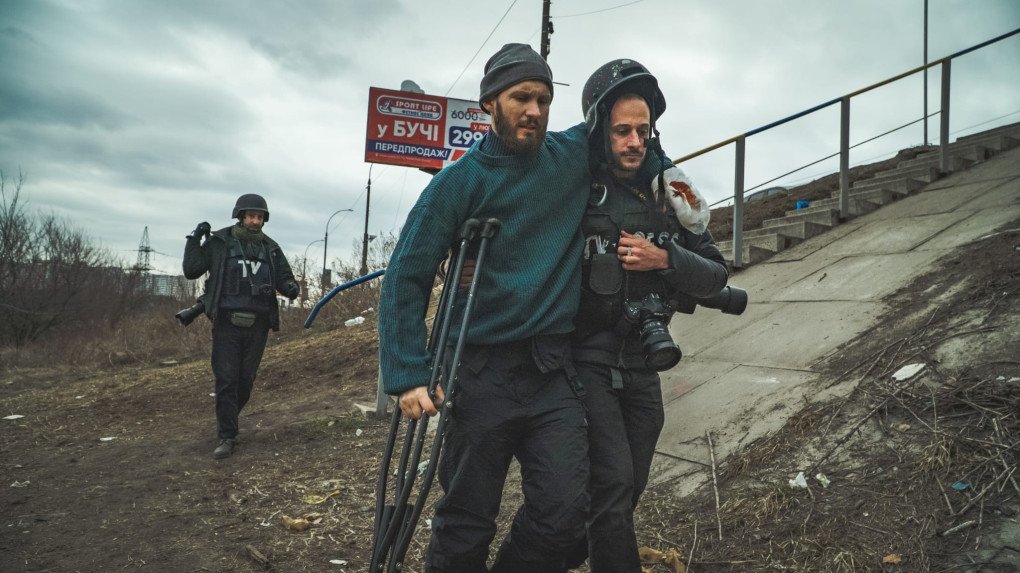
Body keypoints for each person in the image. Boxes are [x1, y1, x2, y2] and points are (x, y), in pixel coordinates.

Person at [378, 43, 599, 573]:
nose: (535, 110)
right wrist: (409, 374)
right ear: (488, 104)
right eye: (521, 97)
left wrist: (675, 184)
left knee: (568, 514)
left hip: (550, 371)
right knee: (467, 520)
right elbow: (406, 276)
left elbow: (626, 137)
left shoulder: (570, 157)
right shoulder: (459, 183)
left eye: (544, 99)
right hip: (477, 373)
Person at [561, 60, 729, 572]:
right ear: (598, 129)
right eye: (622, 130)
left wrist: (666, 259)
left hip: (645, 359)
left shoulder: (671, 191)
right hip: (585, 360)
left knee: (628, 484)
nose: (635, 141)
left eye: (644, 130)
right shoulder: (573, 184)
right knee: (611, 482)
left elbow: (716, 274)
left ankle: (550, 552)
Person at [182, 193, 299, 459]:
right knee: (226, 379)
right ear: (240, 216)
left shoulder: (271, 248)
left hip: (258, 325)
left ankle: (228, 419)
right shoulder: (221, 242)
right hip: (226, 323)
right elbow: (192, 270)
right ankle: (227, 436)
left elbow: (285, 278)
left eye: (259, 217)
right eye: (250, 216)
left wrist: (291, 288)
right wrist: (194, 239)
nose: (255, 221)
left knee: (245, 382)